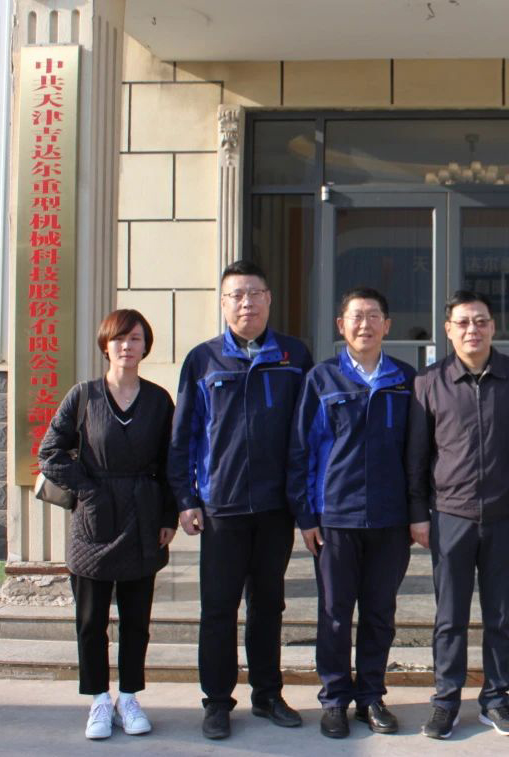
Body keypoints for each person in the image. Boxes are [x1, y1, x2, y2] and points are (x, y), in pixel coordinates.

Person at [167, 260, 313, 741]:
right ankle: (216, 701)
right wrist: (186, 497)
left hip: (275, 507)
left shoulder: (294, 356)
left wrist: (305, 502)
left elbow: (309, 433)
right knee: (219, 608)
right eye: (236, 295)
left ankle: (268, 694)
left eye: (254, 294)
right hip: (221, 507)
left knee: (269, 605)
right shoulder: (203, 359)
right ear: (223, 302)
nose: (246, 303)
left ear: (269, 299)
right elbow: (184, 435)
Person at [406, 291, 509, 739]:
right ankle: (446, 700)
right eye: (463, 322)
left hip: (505, 515)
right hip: (450, 516)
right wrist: (418, 514)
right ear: (448, 329)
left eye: (481, 321)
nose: (473, 330)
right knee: (450, 617)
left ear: (493, 327)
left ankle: (496, 699)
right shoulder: (429, 382)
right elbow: (417, 456)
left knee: (499, 615)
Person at [39, 309, 176, 740]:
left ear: (145, 346)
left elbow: (171, 463)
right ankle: (98, 698)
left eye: (135, 339)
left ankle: (129, 697)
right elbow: (50, 452)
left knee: (136, 620)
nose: (126, 346)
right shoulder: (83, 396)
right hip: (93, 520)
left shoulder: (158, 401)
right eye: (119, 339)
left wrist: (169, 516)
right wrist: (88, 490)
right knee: (90, 619)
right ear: (105, 345)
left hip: (143, 516)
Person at [287, 287, 417, 739]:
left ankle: (371, 696)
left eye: (374, 316)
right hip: (335, 518)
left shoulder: (404, 379)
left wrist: (416, 512)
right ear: (341, 325)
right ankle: (335, 699)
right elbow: (301, 451)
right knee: (335, 613)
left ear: (387, 325)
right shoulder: (321, 379)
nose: (365, 325)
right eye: (356, 317)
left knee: (380, 613)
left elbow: (417, 453)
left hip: (390, 518)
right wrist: (306, 516)